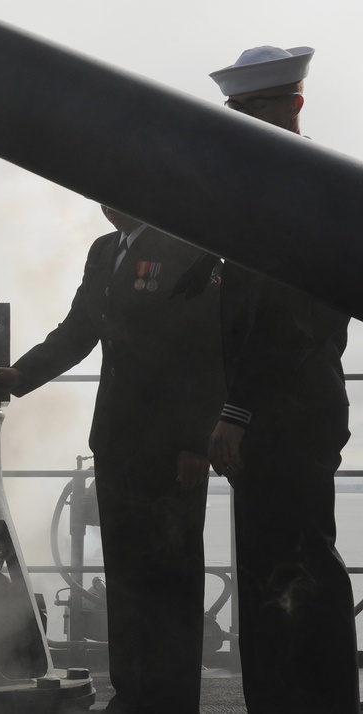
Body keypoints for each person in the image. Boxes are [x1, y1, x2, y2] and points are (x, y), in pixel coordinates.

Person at [0, 205, 224, 714]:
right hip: (117, 438)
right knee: (126, 573)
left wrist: (194, 440)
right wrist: (21, 375)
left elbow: (207, 348)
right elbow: (79, 330)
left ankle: (171, 701)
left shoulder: (186, 246)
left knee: (170, 576)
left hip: (169, 445)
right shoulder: (104, 251)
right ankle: (133, 692)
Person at [206, 46, 359, 713]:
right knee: (269, 571)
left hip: (290, 414)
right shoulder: (262, 193)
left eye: (252, 110)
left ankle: (323, 703)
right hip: (269, 414)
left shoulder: (314, 191)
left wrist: (235, 410)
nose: (239, 123)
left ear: (293, 105)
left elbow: (293, 319)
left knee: (302, 567)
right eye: (233, 112)